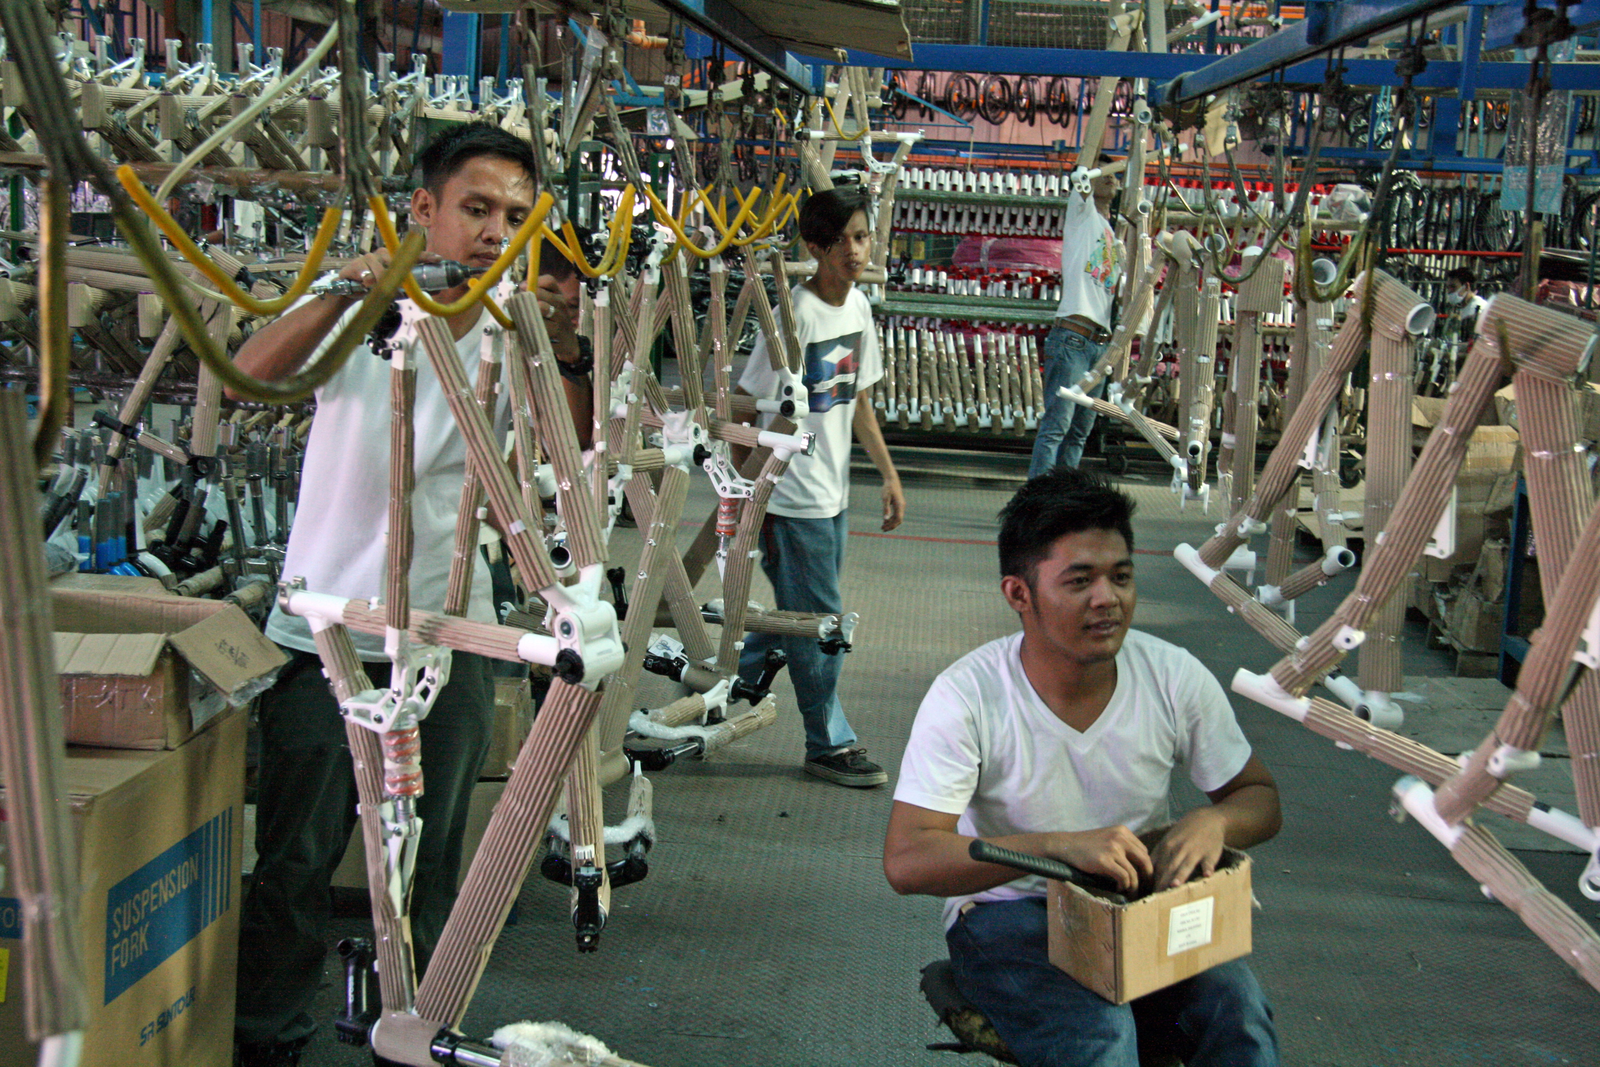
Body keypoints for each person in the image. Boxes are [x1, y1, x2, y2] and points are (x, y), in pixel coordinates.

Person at [228, 122, 589, 1066]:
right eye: (474, 209)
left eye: (513, 216)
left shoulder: (511, 335)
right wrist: (358, 285)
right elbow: (249, 377)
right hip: (326, 634)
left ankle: (418, 1034)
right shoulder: (361, 313)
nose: (492, 232)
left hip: (447, 634)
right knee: (298, 858)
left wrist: (571, 346)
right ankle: (267, 1034)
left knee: (436, 865)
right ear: (422, 212)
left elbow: (566, 458)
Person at [884, 467, 1282, 1067]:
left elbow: (1258, 795)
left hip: (1134, 907)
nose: (1108, 599)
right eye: (1080, 581)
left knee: (1238, 1011)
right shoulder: (966, 697)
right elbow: (908, 859)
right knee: (1099, 1035)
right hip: (1009, 913)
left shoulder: (1172, 676)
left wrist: (1214, 823)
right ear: (1019, 594)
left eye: (1121, 577)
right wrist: (1059, 847)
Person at [735, 184, 906, 788]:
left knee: (801, 606)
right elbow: (750, 405)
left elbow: (856, 400)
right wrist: (742, 493)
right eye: (842, 241)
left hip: (833, 494)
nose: (855, 251)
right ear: (814, 246)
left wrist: (886, 473)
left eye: (862, 237)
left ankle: (745, 671)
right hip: (791, 493)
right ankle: (827, 743)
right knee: (822, 622)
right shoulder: (796, 314)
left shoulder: (858, 308)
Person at [1029, 157, 1123, 478]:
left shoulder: (1113, 235)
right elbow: (1082, 175)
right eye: (1103, 172)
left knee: (1079, 435)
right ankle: (1037, 502)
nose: (1110, 178)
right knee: (1057, 428)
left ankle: (1063, 501)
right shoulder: (1082, 214)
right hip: (1073, 339)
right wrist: (1083, 173)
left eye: (1115, 175)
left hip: (1099, 346)